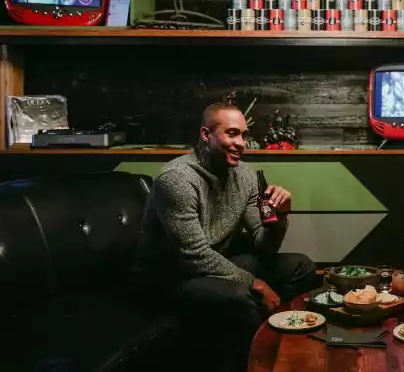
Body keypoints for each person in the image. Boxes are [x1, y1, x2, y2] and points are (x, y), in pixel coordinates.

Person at [135, 100, 316, 371]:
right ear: (205, 135)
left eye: (243, 135)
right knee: (239, 294)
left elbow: (264, 246)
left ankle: (282, 340)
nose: (241, 143)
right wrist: (255, 283)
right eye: (231, 133)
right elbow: (194, 256)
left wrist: (279, 219)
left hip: (215, 265)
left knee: (302, 266)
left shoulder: (244, 176)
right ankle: (256, 362)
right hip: (171, 276)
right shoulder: (176, 179)